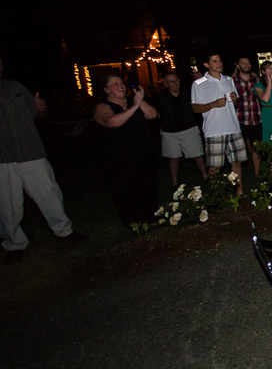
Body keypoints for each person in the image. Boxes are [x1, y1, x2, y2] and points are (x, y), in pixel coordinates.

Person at [0, 56, 82, 264]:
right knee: (7, 205)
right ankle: (14, 244)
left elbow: (41, 115)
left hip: (32, 152)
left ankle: (64, 231)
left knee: (49, 193)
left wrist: (41, 107)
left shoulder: (15, 86)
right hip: (3, 159)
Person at [93, 74, 160, 228]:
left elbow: (152, 115)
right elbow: (113, 122)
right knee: (127, 190)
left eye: (121, 83)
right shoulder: (103, 106)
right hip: (119, 159)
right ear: (106, 89)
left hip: (143, 154)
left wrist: (140, 100)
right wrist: (134, 107)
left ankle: (151, 218)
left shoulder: (134, 101)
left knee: (148, 186)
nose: (121, 86)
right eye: (115, 84)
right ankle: (135, 224)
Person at [190, 53, 245, 194]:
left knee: (236, 162)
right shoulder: (199, 84)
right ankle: (216, 196)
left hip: (233, 127)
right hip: (214, 130)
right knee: (215, 167)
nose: (219, 63)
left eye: (220, 60)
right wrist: (213, 104)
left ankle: (240, 193)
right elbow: (195, 108)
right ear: (206, 65)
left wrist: (234, 99)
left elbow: (236, 102)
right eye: (215, 61)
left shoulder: (228, 79)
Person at [153, 72, 208, 189]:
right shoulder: (161, 97)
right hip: (170, 131)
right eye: (171, 81)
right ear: (166, 84)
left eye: (176, 80)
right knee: (174, 158)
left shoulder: (188, 91)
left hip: (189, 128)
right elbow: (154, 112)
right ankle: (174, 180)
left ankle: (205, 175)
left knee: (197, 155)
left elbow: (204, 85)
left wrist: (202, 78)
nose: (174, 83)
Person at [232, 57, 262, 176]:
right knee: (238, 150)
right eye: (243, 63)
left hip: (256, 118)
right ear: (238, 66)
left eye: (248, 62)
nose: (246, 65)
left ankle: (257, 172)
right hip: (240, 120)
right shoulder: (233, 81)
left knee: (257, 148)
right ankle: (238, 175)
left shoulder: (256, 79)